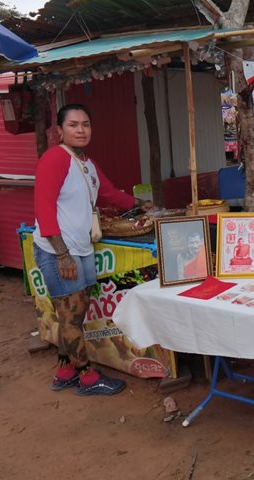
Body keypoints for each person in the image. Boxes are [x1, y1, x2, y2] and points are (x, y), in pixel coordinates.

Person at [33, 103, 153, 396]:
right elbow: (43, 207)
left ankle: (65, 370)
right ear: (60, 130)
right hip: (60, 250)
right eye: (73, 125)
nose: (81, 130)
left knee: (73, 314)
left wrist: (140, 205)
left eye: (85, 124)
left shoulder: (86, 163)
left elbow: (108, 193)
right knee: (72, 314)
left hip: (82, 247)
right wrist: (62, 254)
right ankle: (87, 377)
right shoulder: (54, 158)